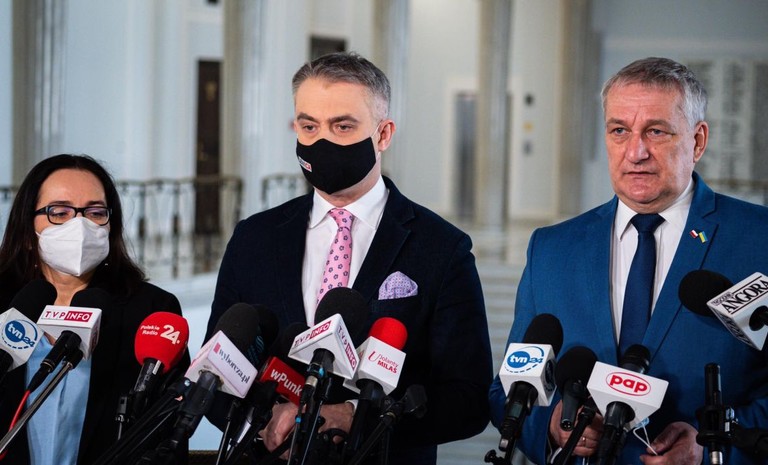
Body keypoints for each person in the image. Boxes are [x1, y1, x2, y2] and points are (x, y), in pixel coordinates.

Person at [205, 51, 493, 464]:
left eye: (342, 126)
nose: (322, 142)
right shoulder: (254, 239)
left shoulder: (441, 248)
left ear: (383, 134)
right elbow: (216, 374)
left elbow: (468, 399)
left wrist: (355, 418)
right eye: (309, 126)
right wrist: (265, 426)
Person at [489, 57, 768, 465]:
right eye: (619, 130)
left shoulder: (758, 239)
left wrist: (716, 445)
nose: (636, 152)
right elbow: (508, 391)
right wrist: (552, 428)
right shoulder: (552, 249)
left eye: (656, 131)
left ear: (698, 140)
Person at [0, 154, 190, 465]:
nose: (80, 225)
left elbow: (167, 434)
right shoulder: (7, 306)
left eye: (95, 212)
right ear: (27, 228)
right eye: (59, 212)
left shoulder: (151, 311)